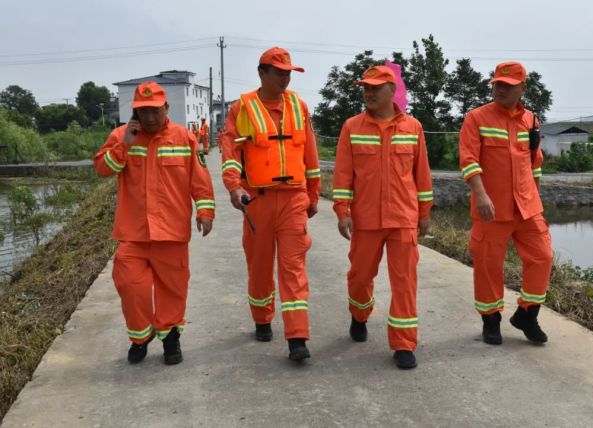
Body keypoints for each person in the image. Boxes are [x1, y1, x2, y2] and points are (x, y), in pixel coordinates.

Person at [94, 81, 215, 365]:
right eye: (143, 111)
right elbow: (102, 169)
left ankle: (170, 339)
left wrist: (205, 211)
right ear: (135, 111)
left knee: (172, 290)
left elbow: (200, 181)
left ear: (166, 108)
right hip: (133, 233)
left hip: (171, 232)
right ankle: (140, 337)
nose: (149, 117)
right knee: (129, 284)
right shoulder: (121, 136)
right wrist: (124, 146)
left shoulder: (185, 138)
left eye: (155, 111)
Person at [221, 47, 320, 361]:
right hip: (258, 202)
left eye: (288, 72)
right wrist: (234, 188)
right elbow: (230, 154)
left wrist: (314, 194)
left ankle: (297, 337)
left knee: (294, 268)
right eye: (279, 71)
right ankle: (262, 318)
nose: (285, 77)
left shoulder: (299, 107)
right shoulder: (243, 109)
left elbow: (311, 156)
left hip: (293, 199)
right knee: (260, 266)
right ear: (262, 72)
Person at [332, 65, 433, 369]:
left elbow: (422, 175)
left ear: (393, 90)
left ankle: (403, 343)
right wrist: (342, 211)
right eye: (365, 88)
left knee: (405, 283)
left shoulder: (413, 128)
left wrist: (424, 211)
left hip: (403, 217)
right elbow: (343, 174)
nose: (369, 92)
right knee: (360, 276)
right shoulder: (352, 127)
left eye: (375, 87)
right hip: (366, 219)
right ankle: (360, 314)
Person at [458, 61, 553, 346]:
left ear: (522, 89)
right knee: (489, 265)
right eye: (497, 84)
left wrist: (535, 198)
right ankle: (491, 321)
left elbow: (535, 163)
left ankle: (527, 314)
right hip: (491, 207)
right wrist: (481, 195)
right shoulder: (476, 118)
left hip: (527, 206)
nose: (500, 89)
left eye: (507, 86)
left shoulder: (531, 121)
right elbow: (469, 160)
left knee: (543, 256)